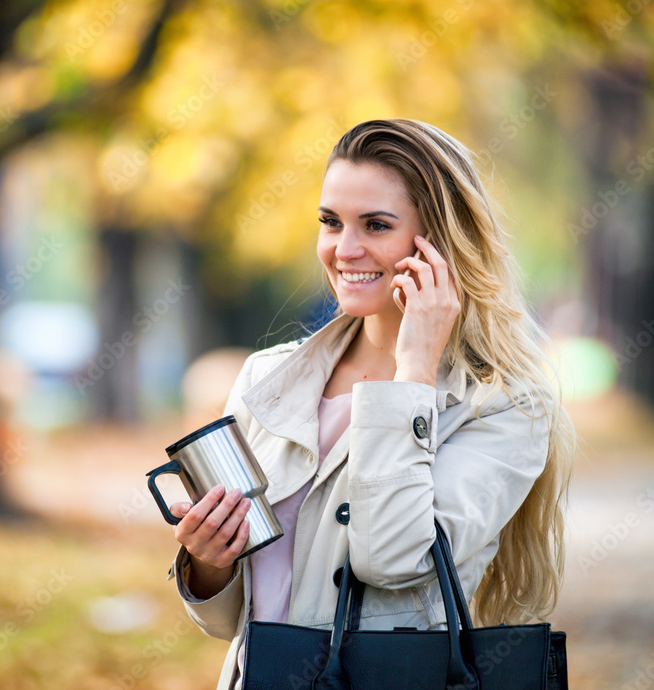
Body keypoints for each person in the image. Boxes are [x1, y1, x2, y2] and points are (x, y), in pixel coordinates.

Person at [164, 118, 576, 690]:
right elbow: (233, 622)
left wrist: (411, 377)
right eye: (330, 222)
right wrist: (210, 562)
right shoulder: (270, 379)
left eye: (376, 225)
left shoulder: (504, 405)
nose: (344, 249)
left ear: (439, 243)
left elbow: (390, 560)